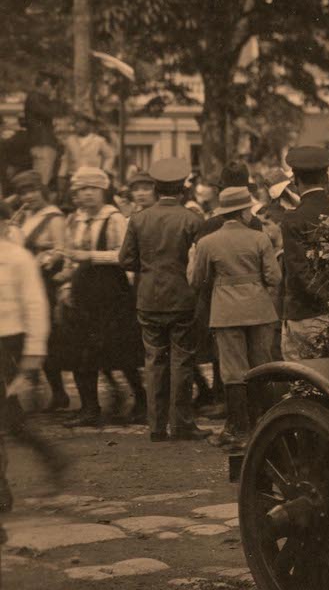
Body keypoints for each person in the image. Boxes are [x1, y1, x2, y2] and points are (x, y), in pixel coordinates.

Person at [118, 154, 204, 441]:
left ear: (155, 188)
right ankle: (181, 423)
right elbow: (200, 263)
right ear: (182, 188)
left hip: (148, 299)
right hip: (182, 298)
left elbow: (126, 260)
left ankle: (156, 426)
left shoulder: (139, 219)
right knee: (182, 361)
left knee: (154, 360)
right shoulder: (193, 219)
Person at [187, 186, 280, 448]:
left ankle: (239, 431)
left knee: (233, 372)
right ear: (243, 211)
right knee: (262, 366)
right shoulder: (260, 239)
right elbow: (275, 277)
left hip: (226, 311)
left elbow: (196, 281)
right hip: (259, 309)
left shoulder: (207, 242)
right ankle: (264, 427)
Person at [51, 167, 141, 428]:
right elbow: (71, 256)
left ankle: (141, 401)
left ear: (103, 191)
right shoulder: (75, 220)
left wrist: (91, 256)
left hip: (111, 292)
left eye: (92, 189)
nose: (87, 195)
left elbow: (124, 255)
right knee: (81, 350)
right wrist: (66, 285)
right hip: (83, 291)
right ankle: (90, 408)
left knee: (119, 350)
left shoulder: (113, 218)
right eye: (81, 190)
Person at [1, 220, 62, 525]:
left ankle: (51, 461)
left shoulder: (17, 258)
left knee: (10, 421)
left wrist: (34, 353)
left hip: (8, 344)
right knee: (10, 421)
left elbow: (36, 306)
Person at [6, 172, 68, 411]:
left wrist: (47, 258)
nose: (28, 196)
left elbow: (62, 250)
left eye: (32, 190)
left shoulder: (54, 217)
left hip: (44, 281)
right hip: (22, 281)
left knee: (45, 338)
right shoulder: (22, 217)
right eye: (23, 192)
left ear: (42, 190)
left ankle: (59, 392)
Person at [276, 145, 329, 357]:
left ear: (295, 180)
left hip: (302, 313)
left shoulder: (293, 219)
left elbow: (297, 270)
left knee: (301, 382)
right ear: (325, 178)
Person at [62, 115, 116, 182]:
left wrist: (106, 169)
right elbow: (65, 159)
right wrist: (61, 175)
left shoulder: (98, 140)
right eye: (75, 123)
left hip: (93, 176)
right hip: (74, 176)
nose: (77, 125)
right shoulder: (70, 140)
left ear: (88, 124)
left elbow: (110, 156)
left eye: (80, 122)